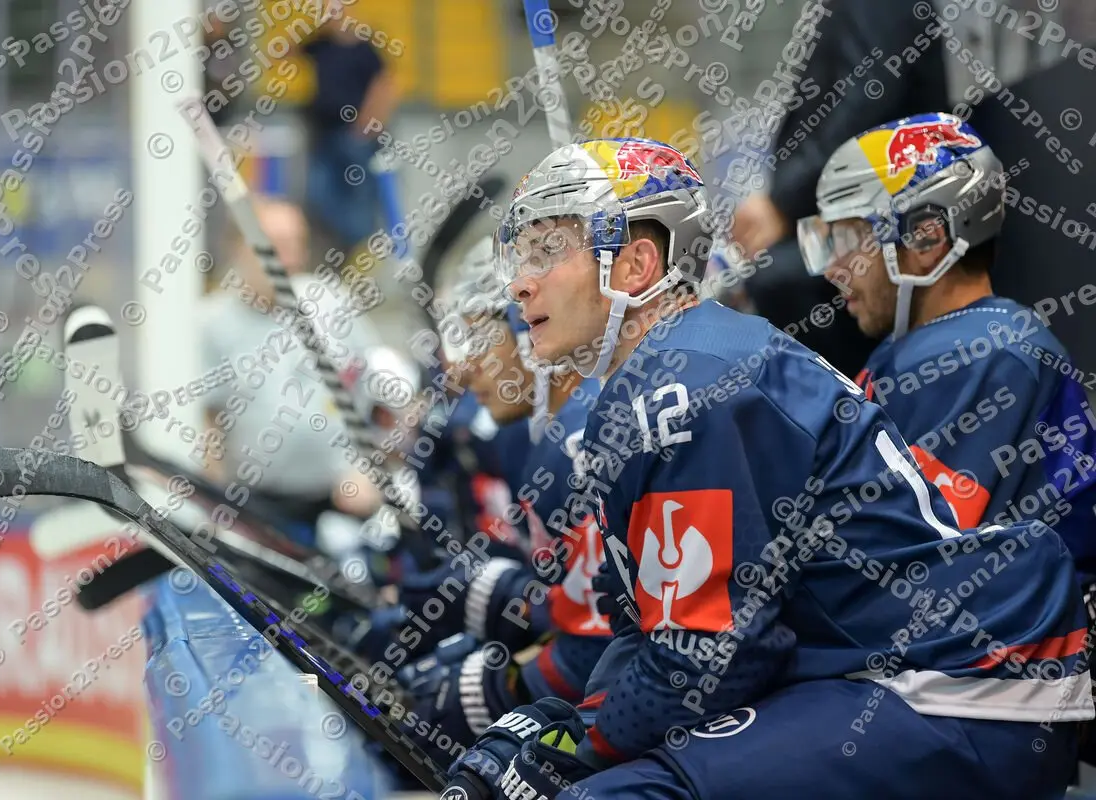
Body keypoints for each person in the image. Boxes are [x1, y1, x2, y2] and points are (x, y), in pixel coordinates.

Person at [439, 136, 1092, 800]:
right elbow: (648, 628)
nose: (520, 281)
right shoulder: (660, 380)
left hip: (963, 685)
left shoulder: (690, 381)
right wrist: (566, 723)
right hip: (885, 669)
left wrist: (577, 749)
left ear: (635, 264)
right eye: (521, 254)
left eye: (549, 251)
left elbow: (712, 656)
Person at [798, 112, 1096, 590]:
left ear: (927, 238)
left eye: (850, 239)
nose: (834, 267)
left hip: (995, 658)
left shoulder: (979, 356)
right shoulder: (950, 345)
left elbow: (901, 560)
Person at [393, 240, 611, 760]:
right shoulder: (544, 437)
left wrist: (509, 687)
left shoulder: (578, 446)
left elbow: (602, 642)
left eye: (479, 341)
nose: (464, 370)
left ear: (530, 331)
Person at [728, 0, 951, 377]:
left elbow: (865, 100)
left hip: (888, 216)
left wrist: (782, 203)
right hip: (853, 209)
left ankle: (854, 419)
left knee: (775, 279)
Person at [199, 197, 389, 547]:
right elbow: (209, 423)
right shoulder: (212, 325)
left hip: (342, 503)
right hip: (259, 509)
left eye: (296, 244)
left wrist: (373, 470)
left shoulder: (331, 303)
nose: (289, 259)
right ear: (238, 248)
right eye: (275, 246)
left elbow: (386, 396)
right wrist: (216, 509)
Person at [300, 0, 399, 257]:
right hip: (324, 133)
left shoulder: (365, 49)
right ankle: (343, 250)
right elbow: (281, 52)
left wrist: (368, 122)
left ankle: (361, 256)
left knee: (360, 198)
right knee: (319, 195)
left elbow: (385, 84)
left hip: (355, 135)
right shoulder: (321, 45)